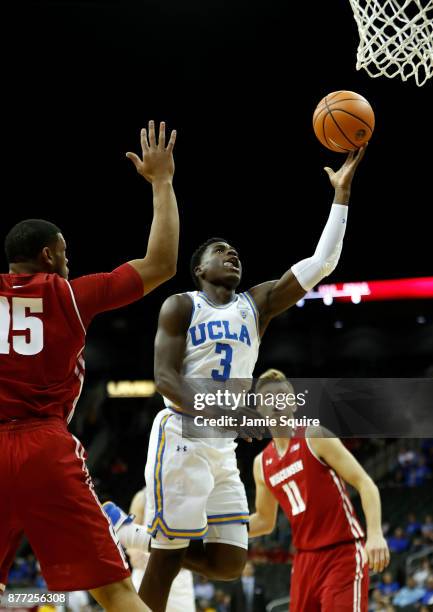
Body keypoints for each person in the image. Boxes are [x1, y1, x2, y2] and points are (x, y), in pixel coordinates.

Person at [107, 145, 367, 611]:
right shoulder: (181, 305)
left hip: (223, 444)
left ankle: (138, 534)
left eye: (235, 253)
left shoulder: (257, 304)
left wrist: (341, 196)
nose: (232, 255)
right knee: (165, 562)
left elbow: (322, 262)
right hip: (182, 435)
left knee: (228, 561)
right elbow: (166, 380)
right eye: (220, 251)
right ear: (199, 268)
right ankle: (150, 542)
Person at [0, 121, 178, 612]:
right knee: (114, 591)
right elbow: (161, 262)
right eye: (65, 253)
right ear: (48, 254)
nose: (69, 260)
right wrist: (161, 182)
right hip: (43, 445)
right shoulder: (71, 295)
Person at [248, 369, 390, 612]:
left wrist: (375, 534)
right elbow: (264, 520)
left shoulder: (315, 436)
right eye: (268, 401)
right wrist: (221, 528)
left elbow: (365, 483)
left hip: (342, 552)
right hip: (304, 560)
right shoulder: (261, 464)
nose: (276, 405)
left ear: (292, 403)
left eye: (281, 397)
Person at [126, 488, 195, 612]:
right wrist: (133, 553)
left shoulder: (191, 496)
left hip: (179, 576)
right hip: (146, 571)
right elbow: (129, 533)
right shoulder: (142, 497)